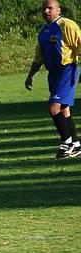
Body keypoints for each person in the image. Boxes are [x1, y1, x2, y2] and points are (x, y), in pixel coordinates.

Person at [25, 0, 81, 159]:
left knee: (54, 108)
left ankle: (66, 143)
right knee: (64, 110)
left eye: (50, 8)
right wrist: (30, 75)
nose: (46, 11)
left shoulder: (66, 25)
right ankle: (76, 145)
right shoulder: (43, 31)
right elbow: (38, 57)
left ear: (59, 9)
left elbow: (79, 46)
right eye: (44, 9)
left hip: (67, 69)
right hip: (53, 74)